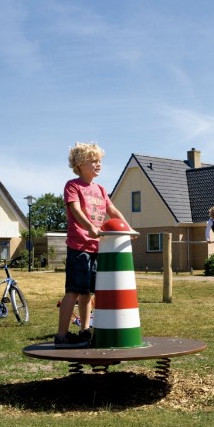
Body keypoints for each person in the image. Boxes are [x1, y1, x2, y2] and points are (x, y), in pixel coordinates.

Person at [54, 142, 132, 348]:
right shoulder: (73, 186)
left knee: (88, 292)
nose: (98, 165)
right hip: (79, 246)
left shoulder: (100, 190)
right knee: (74, 290)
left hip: (97, 247)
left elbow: (112, 210)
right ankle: (61, 335)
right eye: (93, 161)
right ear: (80, 164)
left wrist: (127, 228)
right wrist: (89, 226)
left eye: (100, 161)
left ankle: (84, 331)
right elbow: (76, 210)